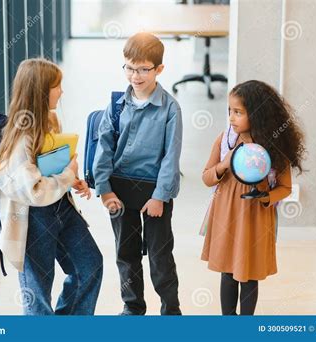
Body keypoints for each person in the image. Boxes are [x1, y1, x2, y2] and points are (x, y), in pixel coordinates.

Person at [0, 58, 103, 315]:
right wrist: (67, 175)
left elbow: (51, 168)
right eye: (57, 86)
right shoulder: (20, 137)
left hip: (61, 208)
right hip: (33, 218)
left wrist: (70, 180)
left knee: (89, 266)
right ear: (41, 91)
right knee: (38, 294)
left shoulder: (49, 121)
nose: (62, 91)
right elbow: (34, 192)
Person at [93, 32, 183, 315]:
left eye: (144, 69)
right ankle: (132, 307)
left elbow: (171, 157)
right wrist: (104, 188)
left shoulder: (171, 109)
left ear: (159, 69)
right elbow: (104, 147)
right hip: (119, 189)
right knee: (126, 252)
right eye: (130, 68)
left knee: (159, 255)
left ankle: (171, 310)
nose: (135, 75)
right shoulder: (117, 104)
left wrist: (160, 197)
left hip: (155, 190)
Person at [201, 80, 306, 315]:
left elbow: (285, 187)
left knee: (249, 275)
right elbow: (206, 177)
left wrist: (266, 197)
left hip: (256, 217)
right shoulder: (225, 140)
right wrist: (223, 165)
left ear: (257, 115)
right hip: (226, 214)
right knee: (228, 272)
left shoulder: (273, 147)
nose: (231, 117)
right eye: (230, 111)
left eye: (238, 112)